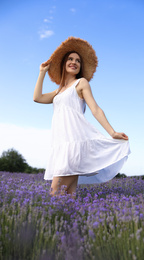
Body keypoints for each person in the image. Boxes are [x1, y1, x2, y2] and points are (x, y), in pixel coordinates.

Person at [33, 36, 130, 198]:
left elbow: (96, 109)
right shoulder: (58, 92)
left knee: (55, 192)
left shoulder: (81, 83)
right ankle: (69, 222)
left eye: (78, 60)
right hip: (61, 144)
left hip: (75, 143)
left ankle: (54, 222)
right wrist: (42, 72)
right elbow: (37, 98)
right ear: (64, 63)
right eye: (70, 59)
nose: (74, 62)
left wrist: (112, 132)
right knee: (69, 195)